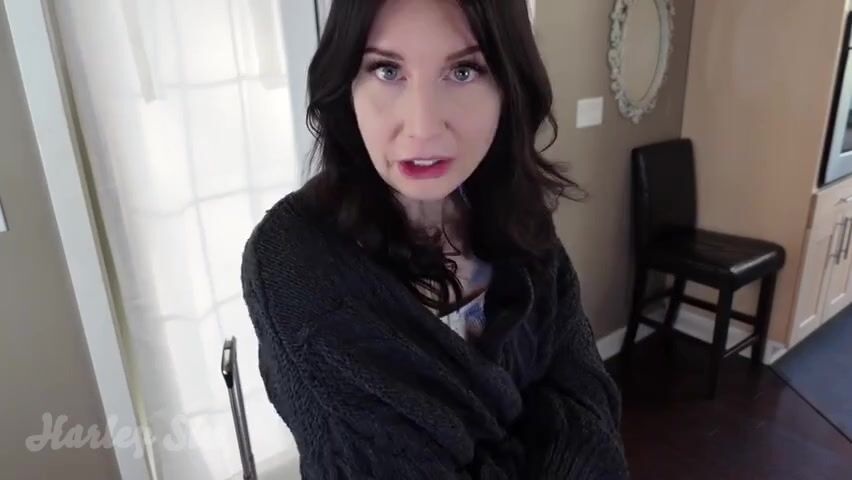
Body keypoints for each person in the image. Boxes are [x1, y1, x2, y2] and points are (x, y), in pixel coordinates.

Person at [240, 0, 628, 478]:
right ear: (346, 82)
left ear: (508, 83)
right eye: (387, 70)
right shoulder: (293, 262)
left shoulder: (518, 215)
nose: (422, 128)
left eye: (463, 71)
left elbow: (588, 399)